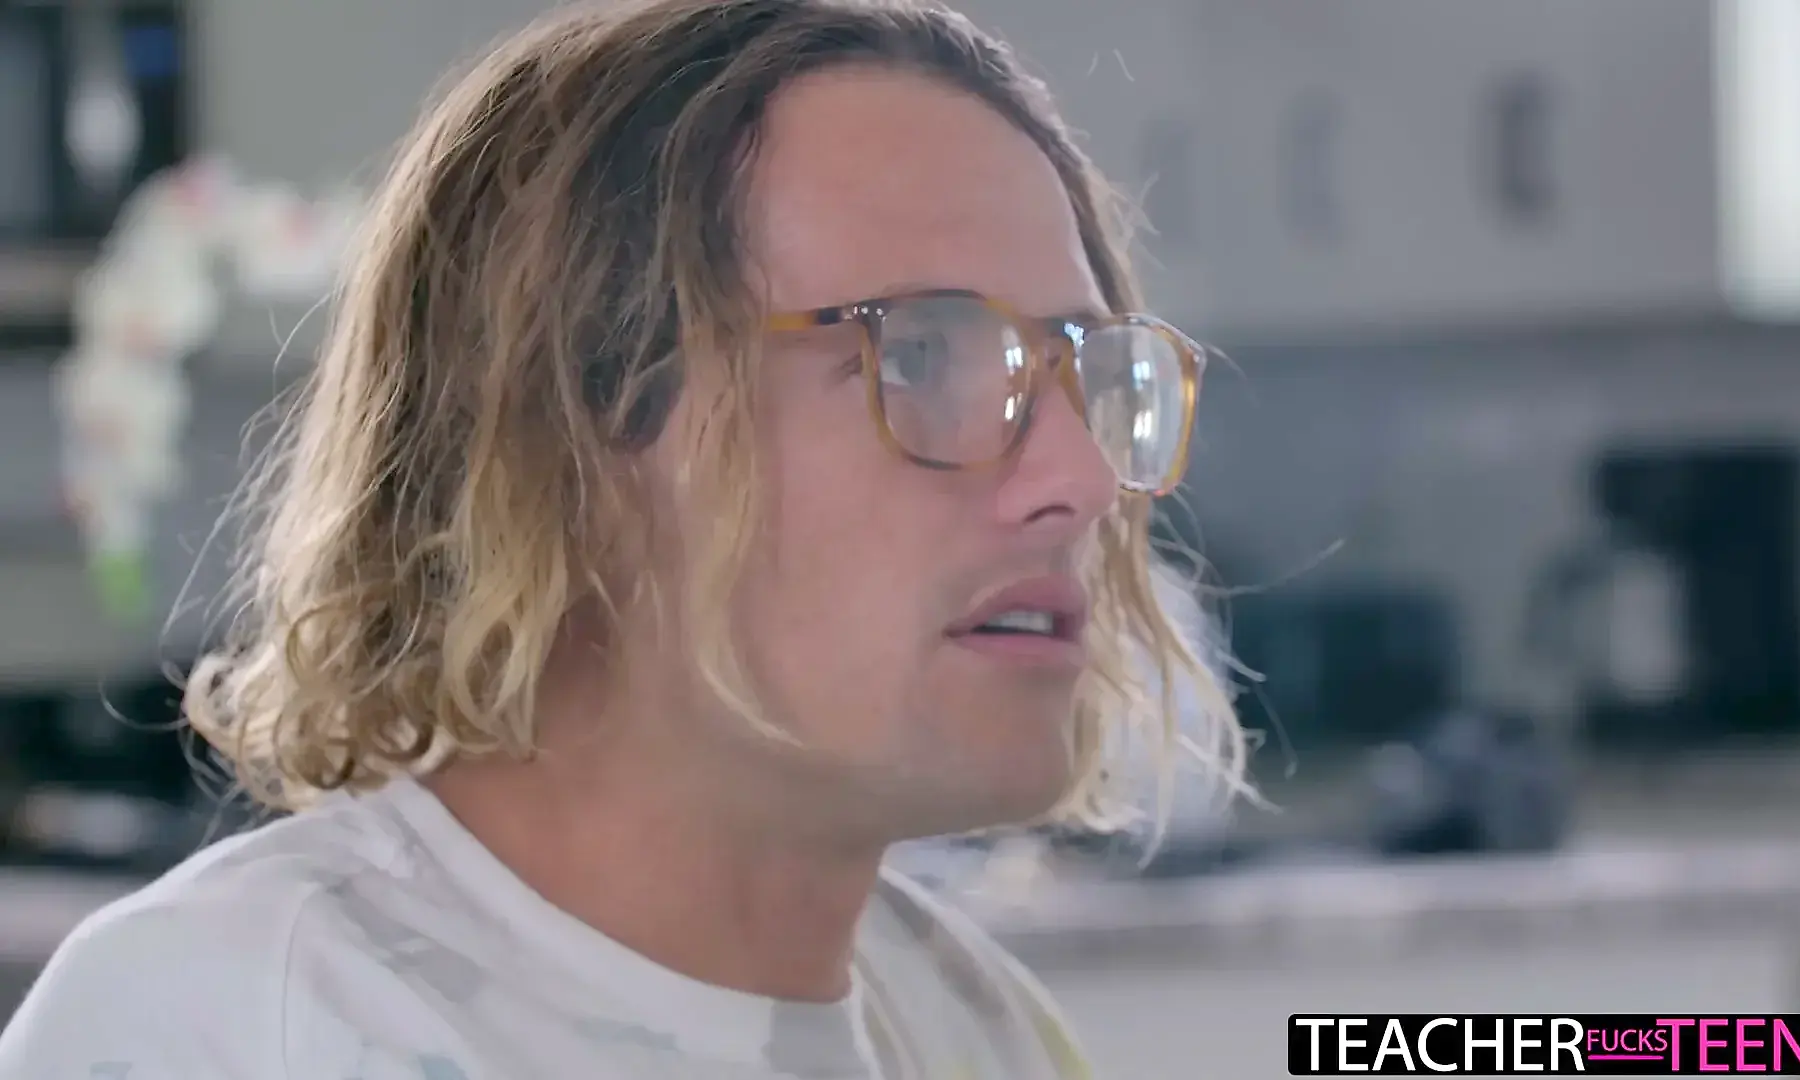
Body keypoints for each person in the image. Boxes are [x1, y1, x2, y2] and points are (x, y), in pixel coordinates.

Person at [0, 1, 1246, 1077]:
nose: (1083, 479)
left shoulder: (976, 1027)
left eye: (1091, 373)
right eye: (919, 355)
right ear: (569, 442)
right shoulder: (240, 1031)